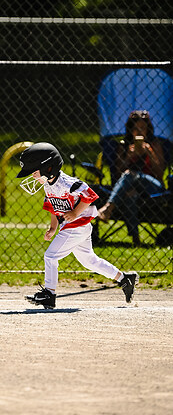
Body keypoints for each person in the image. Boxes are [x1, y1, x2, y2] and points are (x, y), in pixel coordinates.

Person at [16, 142, 139, 309]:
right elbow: (53, 206)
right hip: (74, 227)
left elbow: (90, 195)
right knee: (89, 261)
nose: (33, 177)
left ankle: (49, 294)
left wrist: (74, 213)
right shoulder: (48, 184)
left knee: (50, 256)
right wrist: (53, 227)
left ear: (49, 168)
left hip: (77, 225)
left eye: (34, 172)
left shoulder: (67, 182)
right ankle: (125, 279)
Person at [97, 110, 165, 246]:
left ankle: (108, 207)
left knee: (130, 174)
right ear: (131, 130)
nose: (139, 132)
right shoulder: (124, 145)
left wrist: (150, 154)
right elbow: (117, 174)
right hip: (129, 189)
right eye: (136, 129)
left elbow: (160, 174)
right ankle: (136, 239)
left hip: (152, 188)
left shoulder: (154, 145)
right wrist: (128, 157)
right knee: (130, 194)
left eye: (143, 129)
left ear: (148, 130)